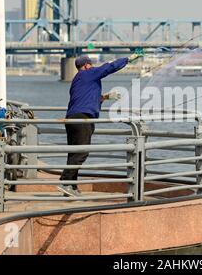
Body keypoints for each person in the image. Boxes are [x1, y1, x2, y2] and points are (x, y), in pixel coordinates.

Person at [58, 53, 142, 197]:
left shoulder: (78, 79)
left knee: (74, 153)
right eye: (90, 64)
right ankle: (65, 182)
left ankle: (71, 186)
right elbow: (109, 67)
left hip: (72, 117)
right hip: (82, 118)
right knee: (82, 152)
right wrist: (128, 59)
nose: (92, 66)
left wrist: (106, 97)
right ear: (86, 65)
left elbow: (87, 98)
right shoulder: (88, 73)